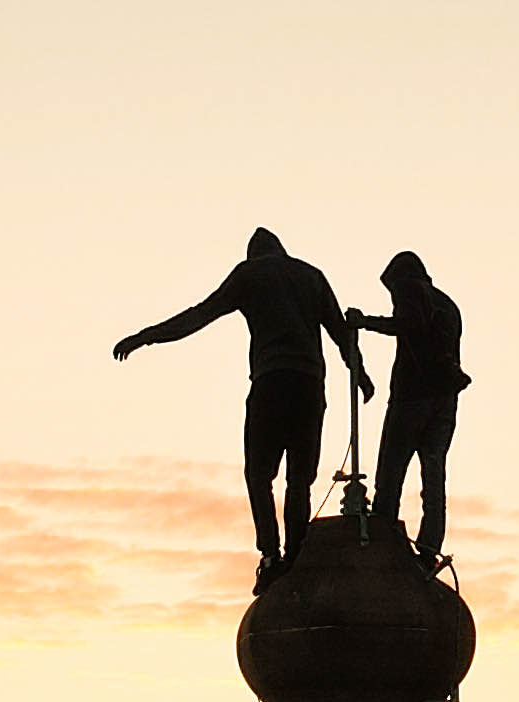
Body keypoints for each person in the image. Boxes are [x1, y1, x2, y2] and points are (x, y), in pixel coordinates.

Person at [112, 230, 361, 572]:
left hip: (271, 383)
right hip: (309, 385)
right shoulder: (311, 275)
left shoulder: (250, 274)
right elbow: (340, 332)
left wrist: (148, 336)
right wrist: (360, 373)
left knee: (259, 475)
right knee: (299, 479)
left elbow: (199, 315)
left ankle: (271, 556)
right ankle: (297, 553)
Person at [349, 251, 470, 565]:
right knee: (434, 474)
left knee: (390, 471)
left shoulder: (410, 289)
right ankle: (429, 549)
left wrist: (365, 323)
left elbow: (409, 324)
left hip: (412, 398)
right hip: (445, 401)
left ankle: (382, 536)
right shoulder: (449, 305)